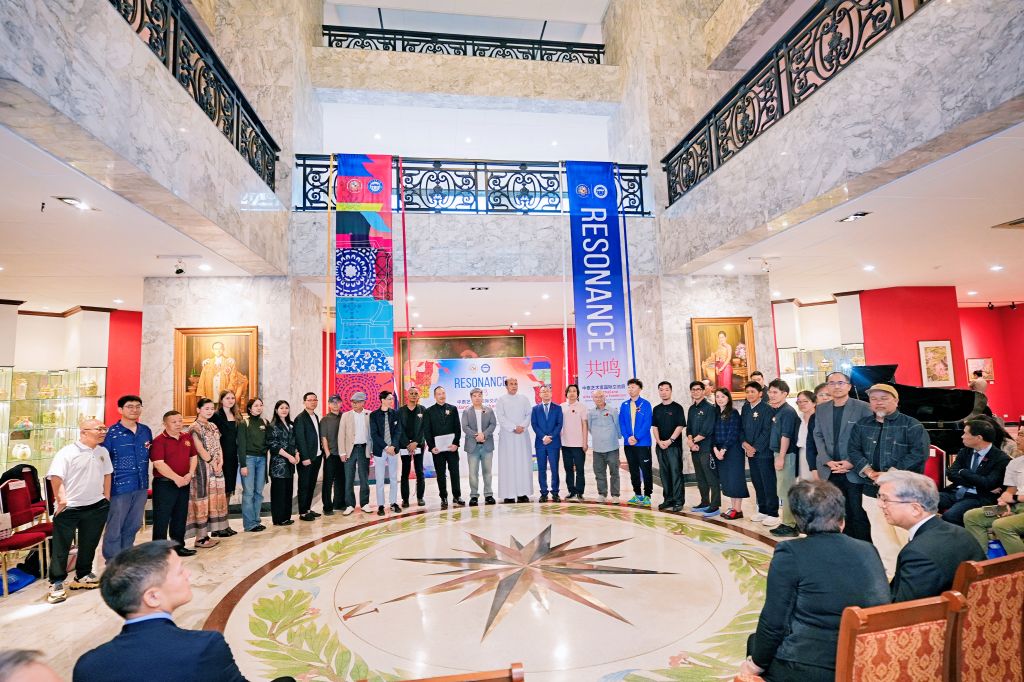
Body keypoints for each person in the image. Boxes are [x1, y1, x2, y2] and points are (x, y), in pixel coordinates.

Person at [740, 480, 890, 681]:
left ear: (799, 520)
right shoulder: (868, 549)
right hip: (864, 657)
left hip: (812, 666)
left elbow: (774, 622)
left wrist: (754, 666)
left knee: (755, 646)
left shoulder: (790, 552)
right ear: (841, 517)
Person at [72, 541, 270, 682]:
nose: (188, 574)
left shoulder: (88, 667)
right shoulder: (205, 646)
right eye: (180, 571)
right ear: (152, 597)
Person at [847, 383, 930, 578]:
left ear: (896, 401)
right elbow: (853, 450)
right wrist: (869, 472)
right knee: (880, 535)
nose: (878, 402)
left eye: (884, 398)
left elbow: (919, 454)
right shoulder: (862, 425)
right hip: (871, 488)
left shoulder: (912, 425)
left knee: (905, 534)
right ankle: (890, 574)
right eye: (874, 399)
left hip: (905, 491)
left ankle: (913, 573)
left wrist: (889, 474)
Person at [878, 470, 985, 602]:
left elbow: (903, 607)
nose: (880, 505)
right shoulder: (961, 532)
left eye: (885, 500)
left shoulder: (917, 553)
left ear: (915, 509)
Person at [45, 419, 112, 604]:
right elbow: (56, 477)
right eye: (99, 429)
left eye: (104, 428)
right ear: (84, 432)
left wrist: (106, 497)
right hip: (71, 507)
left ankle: (82, 575)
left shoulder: (102, 451)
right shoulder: (67, 452)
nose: (103, 432)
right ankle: (56, 582)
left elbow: (107, 474)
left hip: (96, 505)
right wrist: (62, 501)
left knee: (89, 543)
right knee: (62, 547)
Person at [813, 372, 873, 542]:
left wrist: (852, 462)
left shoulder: (863, 407)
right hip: (829, 470)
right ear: (827, 387)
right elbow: (818, 435)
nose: (836, 386)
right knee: (835, 512)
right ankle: (842, 545)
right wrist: (826, 460)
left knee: (857, 513)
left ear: (848, 386)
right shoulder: (821, 408)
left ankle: (862, 547)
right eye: (832, 383)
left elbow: (869, 438)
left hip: (853, 471)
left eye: (840, 383)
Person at [100, 395, 152, 563]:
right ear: (120, 409)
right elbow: (103, 462)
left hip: (141, 484)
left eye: (138, 406)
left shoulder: (145, 431)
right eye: (130, 406)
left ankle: (127, 555)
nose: (134, 410)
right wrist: (105, 489)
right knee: (115, 525)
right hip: (119, 486)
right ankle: (112, 559)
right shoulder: (111, 433)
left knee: (134, 524)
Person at [939, 419, 1009, 525]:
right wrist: (976, 482)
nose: (962, 436)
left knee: (950, 516)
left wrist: (963, 472)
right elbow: (951, 474)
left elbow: (988, 483)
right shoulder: (965, 451)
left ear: (979, 437)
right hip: (955, 491)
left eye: (966, 433)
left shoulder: (1001, 459)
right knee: (921, 501)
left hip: (978, 497)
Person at [149, 411, 197, 555]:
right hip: (164, 484)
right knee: (162, 518)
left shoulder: (187, 437)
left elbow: (193, 457)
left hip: (184, 482)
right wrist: (177, 478)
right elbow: (159, 464)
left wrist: (190, 473)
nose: (178, 424)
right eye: (174, 422)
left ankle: (178, 547)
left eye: (180, 421)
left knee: (180, 516)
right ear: (165, 424)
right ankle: (159, 551)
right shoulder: (159, 441)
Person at [185, 398, 232, 546]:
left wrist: (221, 461)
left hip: (216, 468)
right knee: (202, 501)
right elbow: (199, 448)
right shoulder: (194, 427)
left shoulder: (213, 425)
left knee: (213, 501)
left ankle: (207, 535)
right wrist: (212, 461)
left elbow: (218, 445)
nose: (210, 411)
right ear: (198, 410)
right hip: (202, 470)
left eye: (212, 408)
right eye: (206, 408)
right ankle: (200, 538)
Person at [963, 451, 1024, 555]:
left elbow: (1013, 497)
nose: (1018, 441)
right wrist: (1003, 502)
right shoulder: (1015, 463)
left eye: (1021, 440)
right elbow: (1010, 490)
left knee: (1001, 525)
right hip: (1014, 506)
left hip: (1018, 506)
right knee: (972, 516)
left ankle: (1018, 564)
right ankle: (983, 560)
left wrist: (1014, 498)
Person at [767, 379, 800, 537]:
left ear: (785, 394)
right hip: (780, 453)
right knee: (782, 489)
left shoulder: (787, 411)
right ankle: (787, 521)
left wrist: (781, 457)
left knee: (786, 490)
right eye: (770, 392)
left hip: (786, 455)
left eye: (775, 392)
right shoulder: (778, 410)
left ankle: (790, 525)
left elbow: (786, 436)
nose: (771, 395)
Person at [741, 381, 776, 526]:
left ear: (760, 393)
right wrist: (745, 444)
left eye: (753, 392)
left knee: (768, 482)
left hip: (764, 453)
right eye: (747, 392)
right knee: (757, 481)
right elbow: (741, 429)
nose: (749, 394)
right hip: (750, 453)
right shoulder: (745, 408)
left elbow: (767, 431)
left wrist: (754, 448)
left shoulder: (767, 409)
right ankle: (762, 510)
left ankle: (773, 513)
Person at [425, 387, 465, 509]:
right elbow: (427, 431)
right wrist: (432, 447)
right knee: (440, 474)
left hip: (451, 448)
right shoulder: (429, 411)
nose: (442, 395)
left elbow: (457, 428)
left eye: (443, 393)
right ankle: (443, 497)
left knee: (455, 472)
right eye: (439, 394)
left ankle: (457, 496)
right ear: (435, 396)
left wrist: (456, 444)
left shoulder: (452, 409)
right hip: (437, 450)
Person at [495, 377, 534, 503]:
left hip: (522, 436)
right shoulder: (501, 400)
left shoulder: (524, 399)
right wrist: (513, 427)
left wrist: (522, 426)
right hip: (507, 437)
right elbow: (501, 417)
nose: (514, 386)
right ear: (506, 386)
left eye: (516, 384)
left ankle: (522, 493)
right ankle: (509, 494)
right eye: (511, 384)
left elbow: (529, 414)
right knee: (508, 464)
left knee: (522, 463)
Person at [686, 381, 720, 517]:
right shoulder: (691, 408)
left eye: (698, 389)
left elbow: (707, 430)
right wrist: (690, 442)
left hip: (706, 448)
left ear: (703, 391)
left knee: (711, 478)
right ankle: (704, 502)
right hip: (694, 449)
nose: (695, 392)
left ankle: (715, 506)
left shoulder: (710, 408)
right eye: (693, 390)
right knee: (700, 478)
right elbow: (689, 428)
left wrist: (693, 441)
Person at [618, 378, 653, 506]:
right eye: (629, 387)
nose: (630, 389)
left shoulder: (646, 404)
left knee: (646, 469)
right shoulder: (624, 405)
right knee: (633, 469)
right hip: (629, 444)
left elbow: (647, 423)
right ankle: (637, 494)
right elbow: (621, 423)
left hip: (642, 443)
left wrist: (637, 437)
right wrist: (627, 437)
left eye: (633, 387)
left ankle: (647, 495)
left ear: (639, 389)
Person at [652, 381, 686, 512]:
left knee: (675, 473)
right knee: (664, 474)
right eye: (661, 390)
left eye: (666, 389)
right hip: (660, 446)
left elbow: (680, 426)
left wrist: (670, 441)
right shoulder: (656, 409)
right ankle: (668, 499)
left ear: (671, 391)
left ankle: (678, 501)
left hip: (673, 447)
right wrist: (659, 441)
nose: (663, 392)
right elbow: (654, 427)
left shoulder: (677, 408)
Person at [370, 390, 405, 515]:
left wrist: (393, 446)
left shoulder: (395, 413)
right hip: (380, 450)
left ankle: (393, 503)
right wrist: (386, 447)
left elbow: (398, 431)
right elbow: (374, 434)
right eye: (389, 398)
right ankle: (380, 505)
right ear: (382, 400)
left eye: (392, 398)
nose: (392, 401)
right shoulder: (374, 415)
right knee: (379, 479)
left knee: (394, 477)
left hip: (393, 450)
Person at [236, 398, 269, 532]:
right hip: (248, 460)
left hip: (262, 460)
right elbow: (241, 445)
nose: (259, 408)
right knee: (249, 493)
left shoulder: (264, 422)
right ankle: (249, 524)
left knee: (258, 492)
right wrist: (243, 465)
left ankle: (256, 521)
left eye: (261, 405)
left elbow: (268, 441)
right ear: (249, 408)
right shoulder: (244, 423)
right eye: (256, 406)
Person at [338, 392, 372, 514]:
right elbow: (341, 435)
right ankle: (350, 504)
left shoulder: (369, 414)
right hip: (349, 451)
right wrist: (342, 452)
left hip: (364, 449)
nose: (354, 404)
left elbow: (372, 434)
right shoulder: (346, 416)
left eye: (357, 402)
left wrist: (371, 450)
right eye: (352, 402)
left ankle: (365, 503)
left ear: (363, 402)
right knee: (349, 478)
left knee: (364, 478)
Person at [461, 388, 496, 506]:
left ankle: (488, 495)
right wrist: (477, 435)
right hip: (472, 446)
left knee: (487, 472)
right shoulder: (466, 411)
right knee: (473, 473)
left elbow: (493, 424)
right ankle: (474, 496)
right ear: (471, 398)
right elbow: (465, 427)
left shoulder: (489, 410)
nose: (477, 398)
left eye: (479, 395)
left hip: (487, 445)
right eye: (474, 396)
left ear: (482, 397)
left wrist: (484, 435)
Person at [267, 400, 298, 526]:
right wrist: (289, 456)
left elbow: (295, 442)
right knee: (279, 493)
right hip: (278, 465)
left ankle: (286, 517)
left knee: (288, 491)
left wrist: (296, 454)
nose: (284, 410)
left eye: (286, 408)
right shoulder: (273, 425)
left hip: (290, 464)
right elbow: (273, 445)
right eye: (281, 408)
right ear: (276, 410)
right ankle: (279, 519)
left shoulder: (291, 424)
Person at [293, 392, 322, 522]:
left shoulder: (315, 416)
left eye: (315, 400)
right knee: (304, 485)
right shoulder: (300, 418)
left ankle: (308, 509)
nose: (313, 402)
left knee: (311, 484)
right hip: (306, 458)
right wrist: (304, 457)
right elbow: (300, 439)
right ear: (304, 402)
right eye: (310, 400)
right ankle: (303, 512)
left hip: (316, 456)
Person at [531, 384, 564, 502]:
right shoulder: (535, 409)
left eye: (547, 391)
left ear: (551, 393)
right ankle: (543, 493)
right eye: (543, 391)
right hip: (540, 443)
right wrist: (543, 437)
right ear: (539, 394)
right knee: (541, 469)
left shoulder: (558, 408)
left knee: (555, 469)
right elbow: (534, 425)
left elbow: (559, 424)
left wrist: (551, 437)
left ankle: (555, 493)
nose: (545, 393)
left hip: (554, 443)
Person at [588, 390, 621, 504]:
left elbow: (617, 426)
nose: (599, 398)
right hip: (597, 449)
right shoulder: (591, 413)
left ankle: (615, 495)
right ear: (593, 398)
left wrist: (618, 437)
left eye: (601, 396)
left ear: (605, 397)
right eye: (596, 397)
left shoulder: (612, 411)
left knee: (614, 472)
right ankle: (602, 494)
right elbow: (590, 428)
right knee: (599, 472)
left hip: (612, 447)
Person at [398, 387, 427, 507]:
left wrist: (415, 442)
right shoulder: (400, 411)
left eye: (416, 393)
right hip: (404, 445)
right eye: (411, 393)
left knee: (419, 471)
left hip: (419, 444)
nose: (414, 395)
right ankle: (405, 499)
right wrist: (407, 443)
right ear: (407, 395)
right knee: (405, 472)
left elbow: (424, 428)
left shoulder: (423, 409)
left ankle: (420, 497)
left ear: (418, 396)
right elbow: (399, 428)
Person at [209, 391, 240, 505]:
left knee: (229, 486)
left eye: (232, 398)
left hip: (233, 455)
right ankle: (217, 514)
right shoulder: (215, 415)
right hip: (220, 455)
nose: (231, 400)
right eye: (227, 398)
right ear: (221, 400)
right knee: (220, 486)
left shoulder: (237, 415)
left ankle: (225, 514)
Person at [560, 384, 588, 501]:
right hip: (565, 444)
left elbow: (585, 425)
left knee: (580, 469)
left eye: (574, 391)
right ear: (566, 394)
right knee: (568, 469)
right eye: (570, 391)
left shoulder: (582, 407)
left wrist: (585, 442)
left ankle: (580, 492)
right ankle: (571, 491)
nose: (572, 393)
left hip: (578, 444)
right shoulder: (561, 407)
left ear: (577, 394)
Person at [318, 395, 345, 515]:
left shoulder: (344, 417)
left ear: (341, 403)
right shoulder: (325, 419)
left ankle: (339, 503)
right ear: (329, 404)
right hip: (331, 455)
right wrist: (327, 453)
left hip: (343, 454)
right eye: (332, 402)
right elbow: (323, 437)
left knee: (341, 480)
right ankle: (327, 507)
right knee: (328, 482)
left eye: (337, 402)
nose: (335, 404)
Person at [795, 391, 816, 481]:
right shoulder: (797, 418)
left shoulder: (819, 418)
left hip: (816, 455)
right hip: (801, 454)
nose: (802, 404)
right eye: (799, 402)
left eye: (805, 401)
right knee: (804, 482)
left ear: (814, 403)